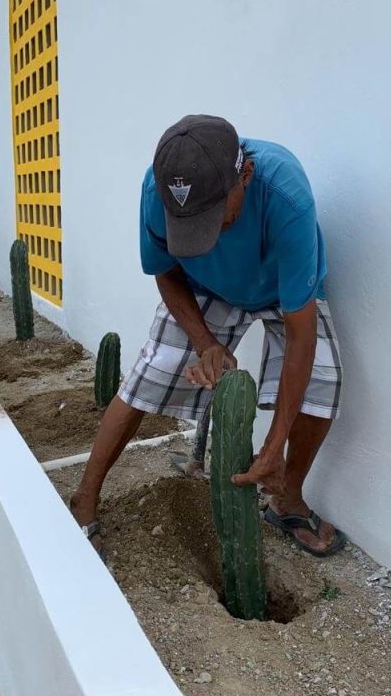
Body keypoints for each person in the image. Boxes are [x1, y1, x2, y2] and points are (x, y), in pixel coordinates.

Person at [71, 115, 345, 559]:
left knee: (324, 381)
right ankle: (83, 499)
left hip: (280, 289)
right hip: (203, 288)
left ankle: (287, 497)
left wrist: (273, 446)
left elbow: (300, 333)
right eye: (191, 224)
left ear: (246, 176)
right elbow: (164, 270)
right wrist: (205, 343)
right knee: (151, 372)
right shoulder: (156, 191)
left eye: (216, 217)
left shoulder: (285, 195)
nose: (208, 234)